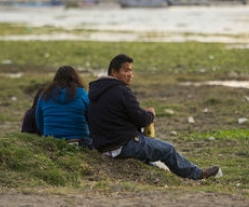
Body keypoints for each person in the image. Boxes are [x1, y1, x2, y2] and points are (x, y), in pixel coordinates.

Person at [88, 54, 221, 180]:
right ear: (114, 72)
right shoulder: (121, 90)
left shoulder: (96, 92)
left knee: (148, 144)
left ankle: (153, 166)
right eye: (126, 70)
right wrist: (150, 114)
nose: (130, 74)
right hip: (121, 146)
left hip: (103, 147)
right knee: (168, 149)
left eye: (131, 71)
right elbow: (141, 119)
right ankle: (197, 174)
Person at [35, 66, 92, 149]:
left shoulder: (44, 96)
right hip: (79, 142)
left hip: (51, 142)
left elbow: (39, 121)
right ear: (76, 78)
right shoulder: (84, 96)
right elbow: (91, 120)